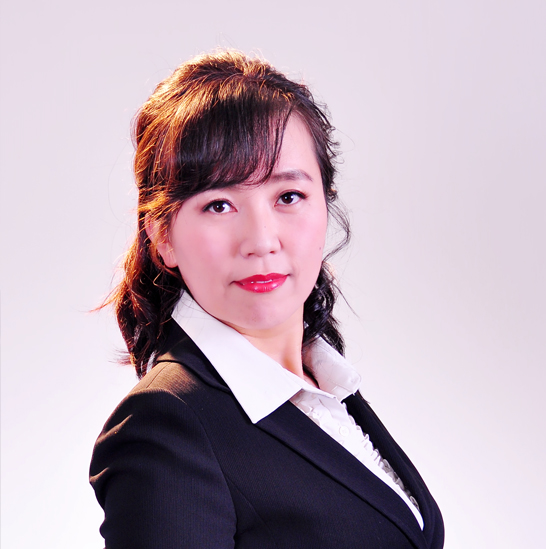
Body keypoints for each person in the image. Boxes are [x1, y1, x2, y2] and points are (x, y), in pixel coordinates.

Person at [89, 50, 444, 549]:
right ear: (162, 236)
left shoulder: (325, 387)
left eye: (288, 197)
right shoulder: (165, 425)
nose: (261, 240)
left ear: (325, 204)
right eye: (219, 204)